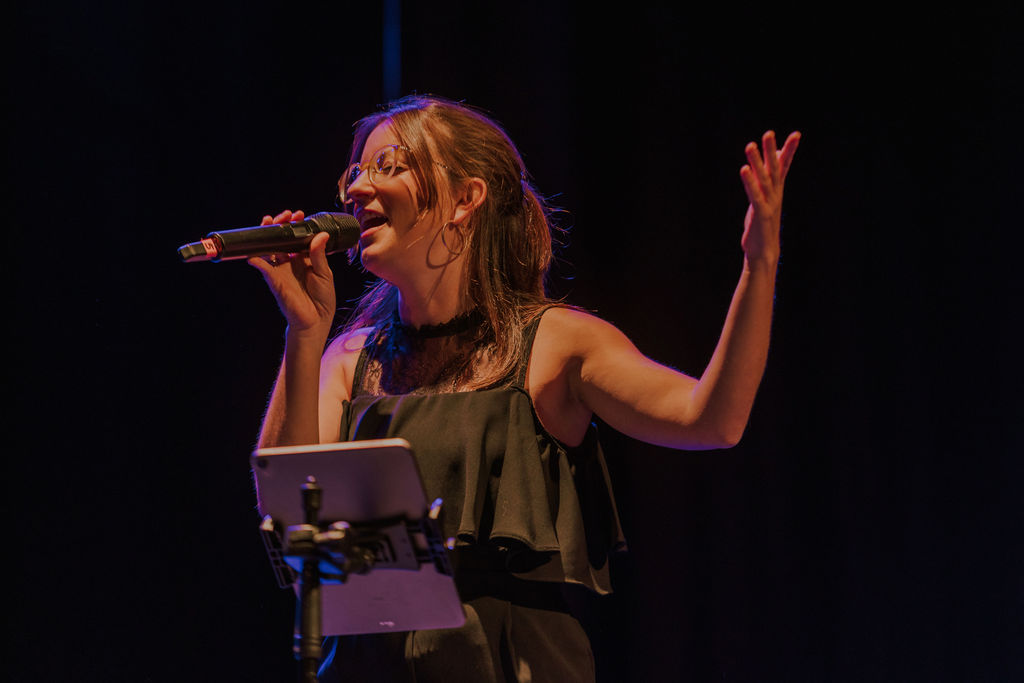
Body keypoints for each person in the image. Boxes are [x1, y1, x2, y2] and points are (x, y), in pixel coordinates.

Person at [249, 95, 799, 682]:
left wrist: (758, 267)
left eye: (389, 166)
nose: (358, 189)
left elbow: (712, 419)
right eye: (356, 171)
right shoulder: (349, 358)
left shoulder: (555, 344)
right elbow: (288, 512)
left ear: (465, 198)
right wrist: (304, 333)